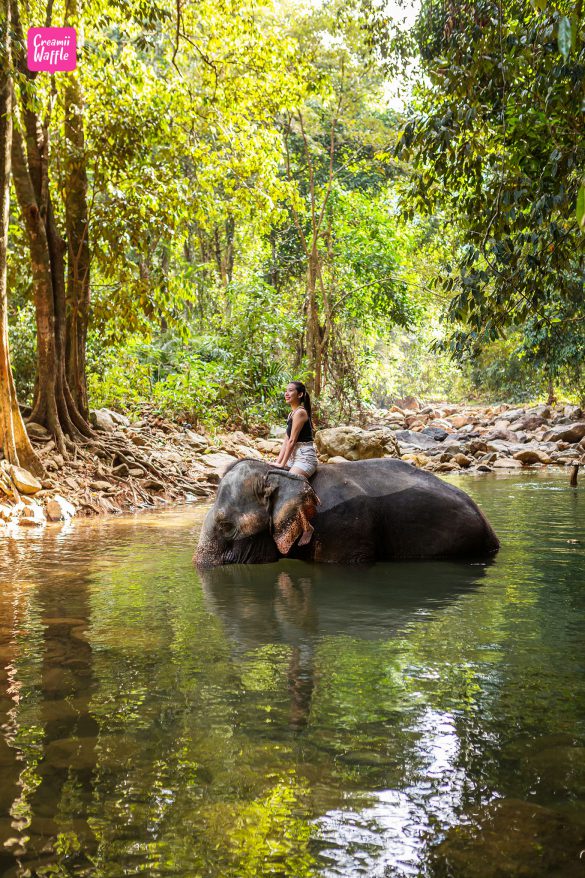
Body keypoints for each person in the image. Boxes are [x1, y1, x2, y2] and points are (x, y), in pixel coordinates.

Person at [274, 381, 318, 479]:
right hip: (292, 457)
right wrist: (278, 462)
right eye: (286, 391)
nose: (286, 393)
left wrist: (282, 464)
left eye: (290, 390)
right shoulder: (291, 414)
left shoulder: (300, 412)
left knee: (288, 482)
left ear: (300, 394)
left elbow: (292, 441)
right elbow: (286, 441)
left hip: (304, 458)